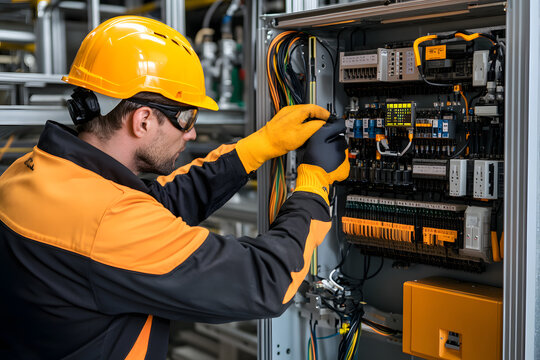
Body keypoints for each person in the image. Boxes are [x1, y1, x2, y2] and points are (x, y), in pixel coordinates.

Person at [0, 16, 349, 360]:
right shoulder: (108, 223)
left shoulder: (29, 172)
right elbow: (265, 281)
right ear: (143, 120)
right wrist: (313, 184)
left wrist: (254, 148)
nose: (192, 133)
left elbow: (153, 205)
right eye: (186, 118)